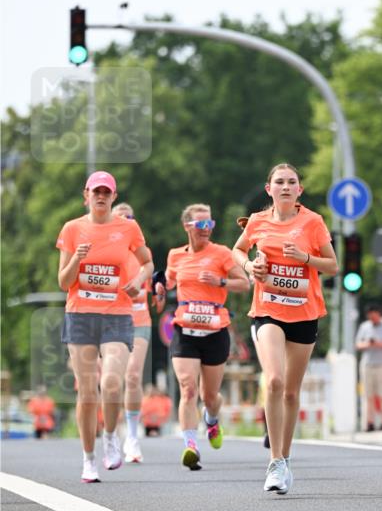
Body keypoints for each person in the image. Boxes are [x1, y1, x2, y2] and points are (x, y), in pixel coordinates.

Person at [232, 163, 338, 494]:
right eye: (280, 182)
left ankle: (286, 458)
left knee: (291, 392)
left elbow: (333, 266)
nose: (286, 187)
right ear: (270, 189)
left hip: (304, 313)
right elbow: (237, 250)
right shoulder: (257, 221)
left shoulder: (313, 222)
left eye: (292, 182)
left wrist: (305, 258)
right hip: (268, 311)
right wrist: (250, 266)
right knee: (274, 381)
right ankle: (274, 462)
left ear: (299, 190)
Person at [56, 171, 154, 483]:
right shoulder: (72, 229)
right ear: (86, 195)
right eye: (95, 191)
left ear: (113, 196)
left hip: (116, 316)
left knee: (112, 382)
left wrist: (139, 280)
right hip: (81, 316)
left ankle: (110, 436)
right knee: (87, 391)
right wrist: (77, 260)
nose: (100, 196)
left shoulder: (128, 228)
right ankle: (88, 459)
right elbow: (63, 282)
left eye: (106, 192)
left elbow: (148, 263)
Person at [162, 203, 249, 470]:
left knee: (209, 396)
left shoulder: (221, 253)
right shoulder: (175, 255)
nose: (206, 229)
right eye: (201, 224)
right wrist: (159, 287)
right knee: (188, 388)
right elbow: (168, 281)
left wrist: (220, 282)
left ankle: (211, 419)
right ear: (187, 226)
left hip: (214, 332)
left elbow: (244, 283)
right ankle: (191, 446)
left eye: (210, 224)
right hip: (185, 331)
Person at [112, 202, 164, 463]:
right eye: (120, 218)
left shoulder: (143, 251)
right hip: (112, 319)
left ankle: (132, 437)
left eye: (130, 218)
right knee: (112, 380)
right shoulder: (107, 249)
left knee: (133, 375)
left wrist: (158, 289)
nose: (126, 222)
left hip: (139, 319)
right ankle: (112, 433)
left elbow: (152, 282)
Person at [355, 304, 382, 431]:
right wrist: (368, 343)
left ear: (379, 314)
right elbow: (358, 344)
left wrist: (379, 343)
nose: (372, 319)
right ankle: (369, 422)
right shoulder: (365, 327)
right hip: (368, 364)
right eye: (370, 317)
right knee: (368, 395)